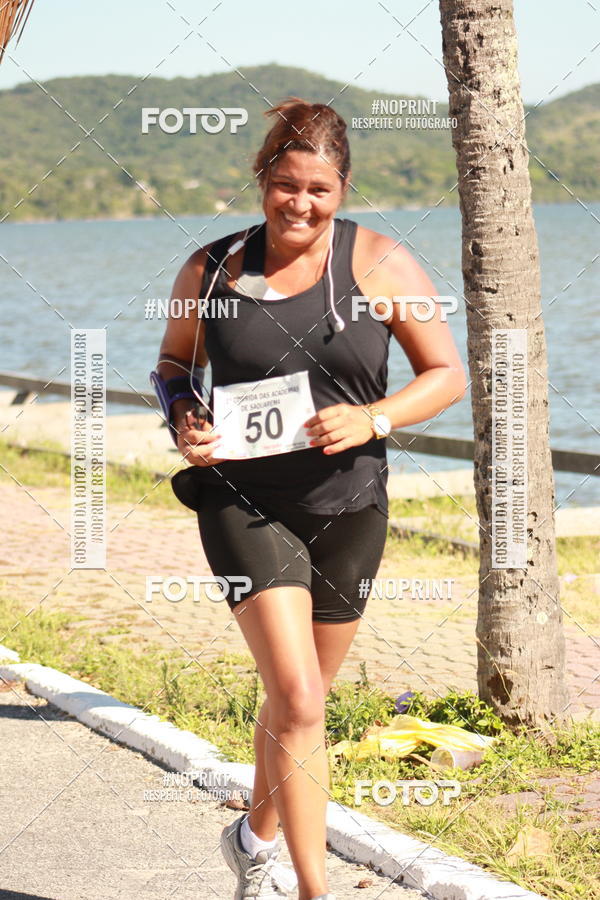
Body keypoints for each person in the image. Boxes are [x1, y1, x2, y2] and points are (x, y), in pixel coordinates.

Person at [153, 97, 467, 900]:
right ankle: (311, 890)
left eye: (318, 190)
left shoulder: (380, 264)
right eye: (284, 185)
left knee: (302, 708)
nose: (300, 204)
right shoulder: (211, 268)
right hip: (241, 500)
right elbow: (173, 367)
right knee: (295, 696)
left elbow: (446, 375)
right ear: (262, 178)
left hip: (350, 505)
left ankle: (252, 835)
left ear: (344, 188)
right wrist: (184, 413)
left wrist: (374, 416)